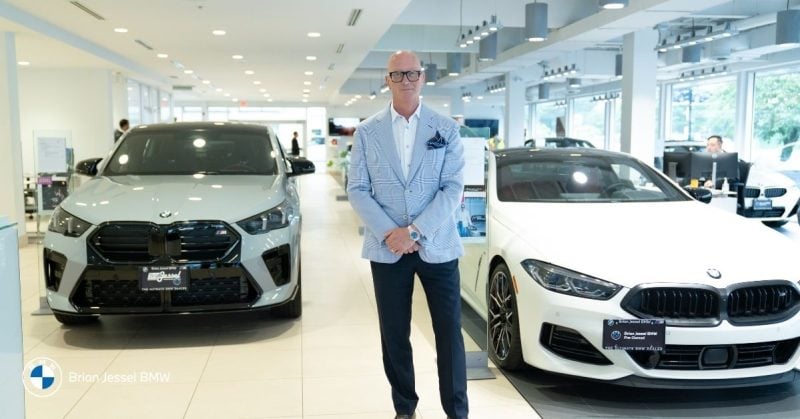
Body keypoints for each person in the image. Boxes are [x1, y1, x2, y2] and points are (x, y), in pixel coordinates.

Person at [347, 50, 468, 419]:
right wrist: (390, 234)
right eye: (397, 75)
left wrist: (415, 231)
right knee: (394, 335)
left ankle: (457, 411)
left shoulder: (445, 128)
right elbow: (358, 189)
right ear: (387, 79)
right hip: (388, 250)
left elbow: (453, 187)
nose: (405, 80)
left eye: (412, 73)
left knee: (449, 333)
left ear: (422, 78)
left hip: (438, 245)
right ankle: (405, 408)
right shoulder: (368, 132)